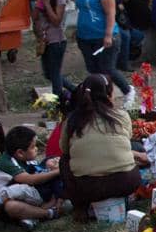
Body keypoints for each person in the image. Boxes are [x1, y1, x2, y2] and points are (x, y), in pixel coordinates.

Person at [59, 74, 143, 221]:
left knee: (64, 160)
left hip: (88, 188)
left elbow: (64, 149)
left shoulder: (72, 120)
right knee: (132, 147)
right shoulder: (121, 115)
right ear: (109, 94)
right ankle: (126, 198)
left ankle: (80, 208)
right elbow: (126, 140)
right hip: (126, 182)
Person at [0, 125, 65, 230]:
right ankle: (47, 213)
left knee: (47, 198)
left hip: (23, 198)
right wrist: (57, 171)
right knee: (12, 206)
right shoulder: (6, 162)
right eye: (33, 147)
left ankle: (32, 216)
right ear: (20, 153)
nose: (36, 149)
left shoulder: (28, 160)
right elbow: (30, 179)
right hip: (2, 203)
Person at [75, 0, 133, 106]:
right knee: (93, 70)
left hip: (104, 36)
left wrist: (108, 35)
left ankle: (127, 90)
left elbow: (110, 14)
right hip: (85, 37)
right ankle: (102, 98)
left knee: (107, 68)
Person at [34, 0, 69, 97]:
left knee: (54, 73)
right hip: (45, 41)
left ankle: (58, 105)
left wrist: (48, 4)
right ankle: (75, 90)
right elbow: (35, 18)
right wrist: (37, 4)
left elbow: (56, 21)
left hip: (57, 41)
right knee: (49, 74)